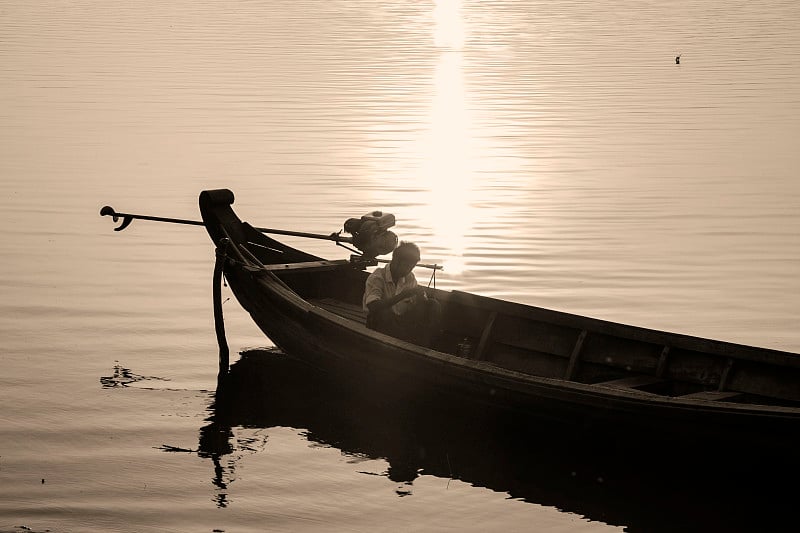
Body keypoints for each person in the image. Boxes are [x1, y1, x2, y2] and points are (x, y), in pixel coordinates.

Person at [362, 241, 441, 346]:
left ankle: (423, 345)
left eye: (412, 267)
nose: (409, 270)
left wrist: (422, 298)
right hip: (379, 322)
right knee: (384, 313)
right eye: (407, 266)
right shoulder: (377, 277)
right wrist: (403, 295)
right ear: (395, 261)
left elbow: (420, 304)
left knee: (433, 305)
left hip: (401, 321)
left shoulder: (410, 277)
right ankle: (399, 344)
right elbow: (373, 306)